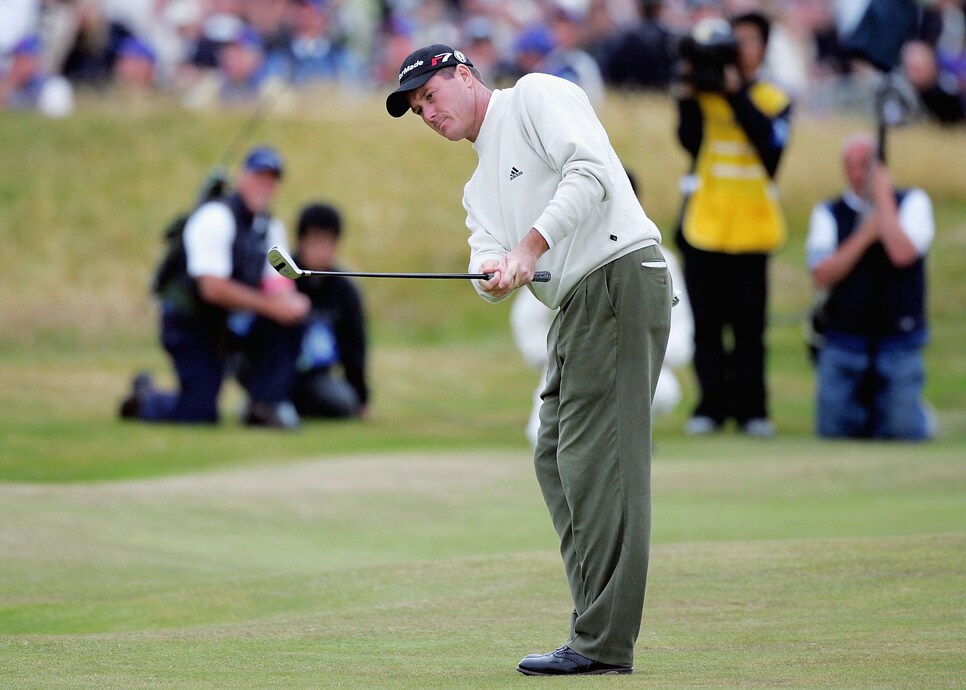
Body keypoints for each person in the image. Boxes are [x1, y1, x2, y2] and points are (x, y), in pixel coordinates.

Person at [386, 44, 672, 676]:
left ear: (463, 75)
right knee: (554, 452)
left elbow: (592, 174)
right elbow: (485, 252)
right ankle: (594, 625)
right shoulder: (476, 185)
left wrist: (529, 246)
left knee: (600, 461)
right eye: (416, 108)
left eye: (430, 96)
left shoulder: (536, 97)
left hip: (618, 276)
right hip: (576, 303)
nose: (427, 114)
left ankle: (602, 643)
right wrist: (490, 275)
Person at [119, 146, 310, 429]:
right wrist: (272, 305)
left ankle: (265, 406)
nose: (265, 186)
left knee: (290, 319)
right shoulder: (215, 217)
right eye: (259, 177)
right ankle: (145, 398)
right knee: (199, 412)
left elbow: (278, 281)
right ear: (243, 177)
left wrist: (288, 301)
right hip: (190, 324)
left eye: (271, 180)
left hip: (230, 323)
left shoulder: (270, 227)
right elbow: (212, 288)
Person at [673, 11, 792, 438]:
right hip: (705, 222)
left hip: (753, 226)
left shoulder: (775, 97)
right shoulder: (702, 92)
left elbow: (772, 146)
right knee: (706, 324)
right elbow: (688, 140)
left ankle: (752, 409)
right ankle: (710, 405)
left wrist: (737, 95)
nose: (739, 49)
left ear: (762, 48)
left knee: (749, 329)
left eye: (747, 41)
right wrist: (688, 89)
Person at [511, 170, 693, 446]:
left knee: (664, 391)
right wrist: (548, 357)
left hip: (635, 366)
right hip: (574, 365)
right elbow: (528, 317)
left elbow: (680, 328)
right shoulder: (562, 254)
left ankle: (628, 439)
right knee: (541, 436)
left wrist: (645, 353)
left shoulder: (660, 259)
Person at [806, 133, 935, 440]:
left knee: (901, 432)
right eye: (850, 167)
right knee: (834, 431)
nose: (857, 175)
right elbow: (823, 274)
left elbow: (902, 253)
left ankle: (915, 413)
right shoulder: (829, 212)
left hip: (898, 340)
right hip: (844, 340)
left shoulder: (912, 203)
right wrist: (866, 234)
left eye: (865, 166)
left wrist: (883, 202)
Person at [290, 202, 370, 419]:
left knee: (344, 402)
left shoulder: (344, 290)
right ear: (301, 240)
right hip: (276, 368)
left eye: (328, 242)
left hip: (316, 375)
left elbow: (354, 348)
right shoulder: (281, 279)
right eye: (316, 241)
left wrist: (361, 398)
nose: (322, 250)